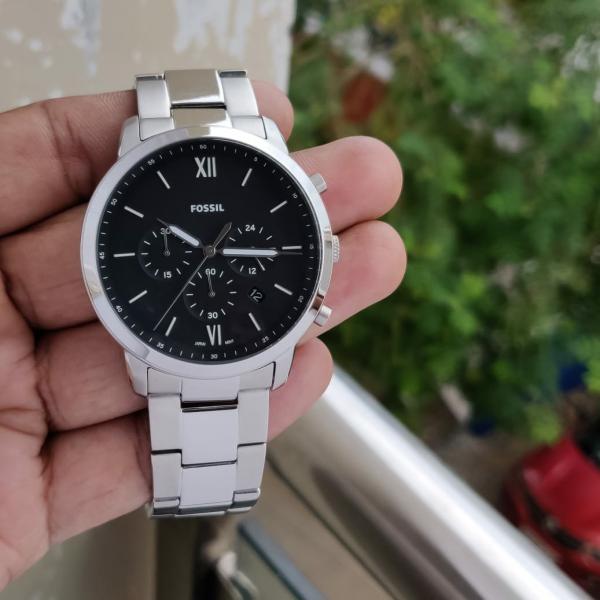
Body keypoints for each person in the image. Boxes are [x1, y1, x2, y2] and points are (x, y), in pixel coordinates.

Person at [0, 81, 406, 589]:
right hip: (164, 341)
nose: (209, 254)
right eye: (203, 249)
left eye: (215, 249)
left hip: (237, 340)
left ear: (326, 247)